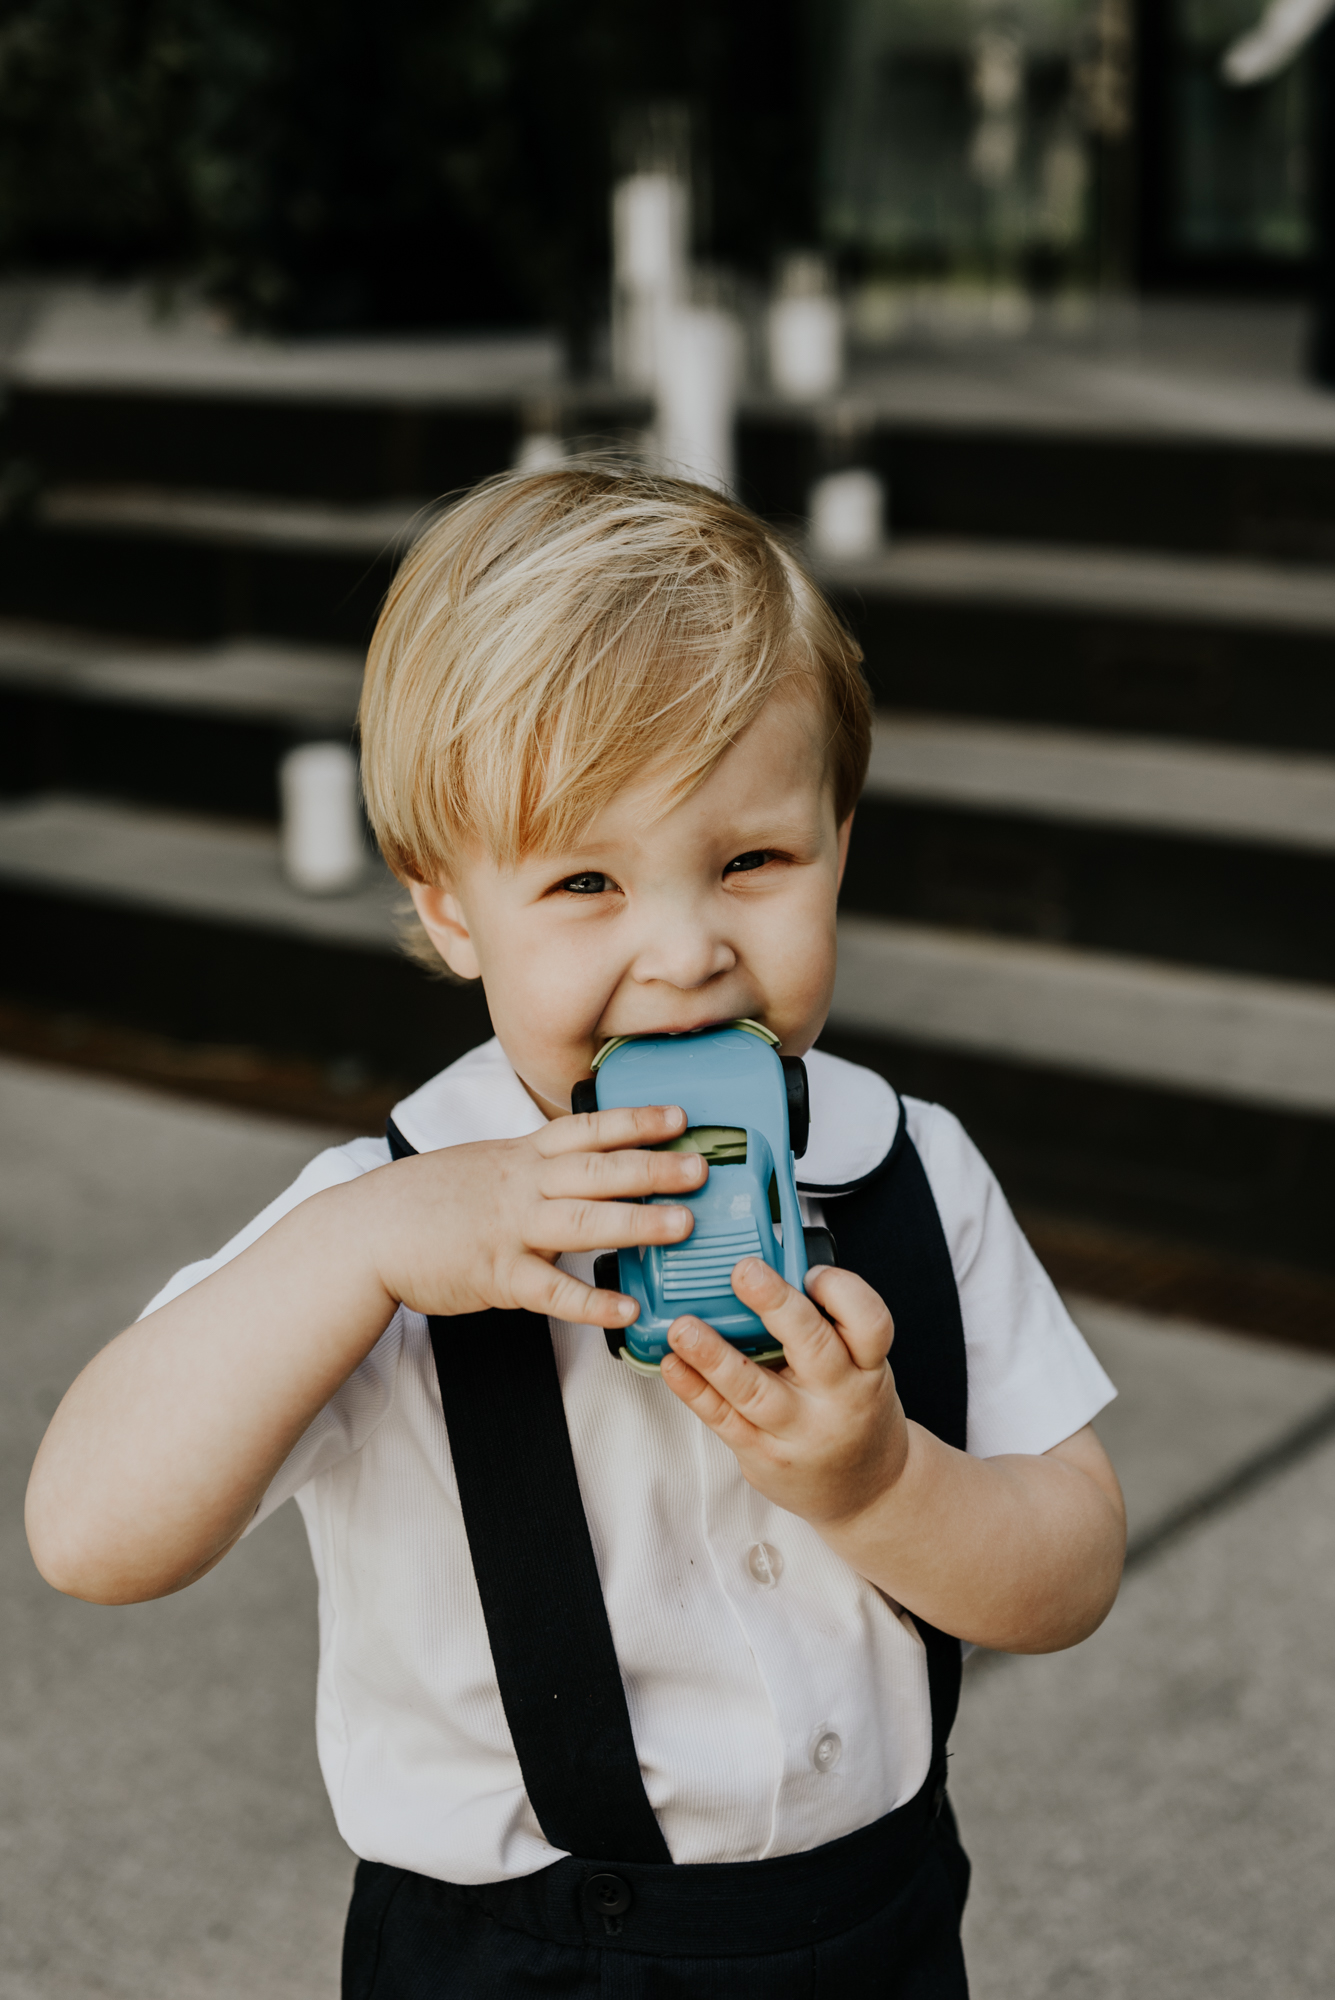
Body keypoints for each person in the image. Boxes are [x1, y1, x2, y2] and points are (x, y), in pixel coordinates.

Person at [26, 462, 1125, 1997]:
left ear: (839, 837)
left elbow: (1071, 1569)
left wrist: (883, 1487)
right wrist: (358, 1249)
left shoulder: (910, 1172)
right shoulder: (385, 1217)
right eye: (586, 881)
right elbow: (89, 1536)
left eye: (751, 859)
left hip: (869, 1927)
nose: (685, 953)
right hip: (509, 1956)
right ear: (453, 909)